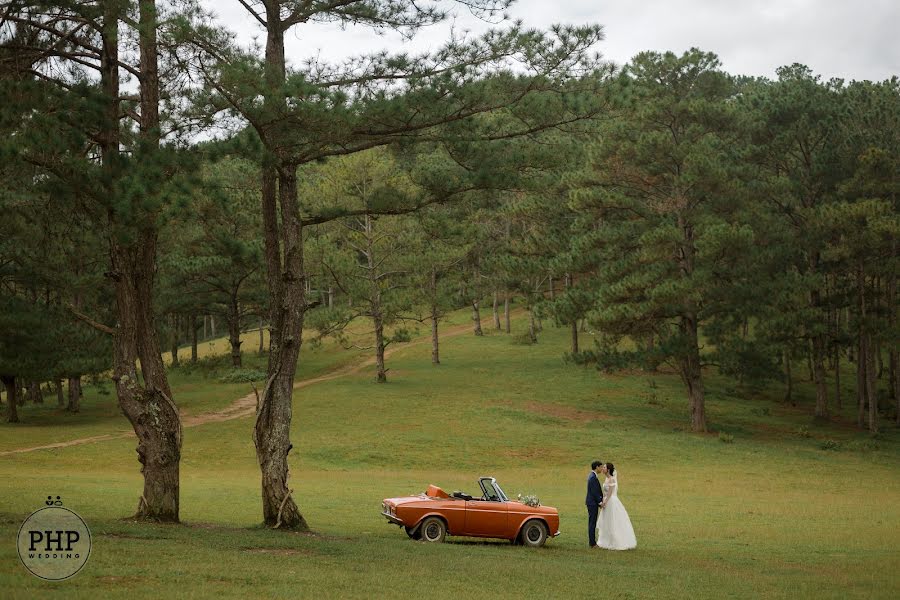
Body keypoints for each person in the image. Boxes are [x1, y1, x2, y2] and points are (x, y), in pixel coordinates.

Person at [596, 462, 636, 550]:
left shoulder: (611, 479)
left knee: (612, 520)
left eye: (604, 467)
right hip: (606, 500)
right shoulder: (606, 479)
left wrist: (604, 502)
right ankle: (605, 540)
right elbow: (605, 493)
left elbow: (610, 493)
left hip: (611, 502)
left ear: (608, 470)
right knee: (606, 521)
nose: (603, 469)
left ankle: (615, 541)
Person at [585, 460, 604, 548]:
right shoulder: (593, 477)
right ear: (597, 467)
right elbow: (595, 492)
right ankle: (592, 543)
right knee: (592, 523)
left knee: (592, 522)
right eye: (601, 467)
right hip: (592, 503)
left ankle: (592, 542)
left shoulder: (592, 476)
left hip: (591, 502)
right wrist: (600, 502)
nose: (601, 469)